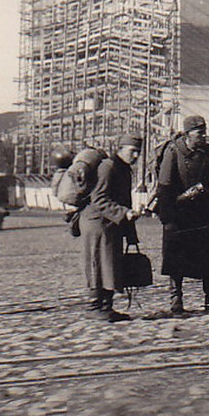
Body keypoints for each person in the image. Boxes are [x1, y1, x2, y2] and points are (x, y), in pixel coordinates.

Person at [156, 115, 209, 315]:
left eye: (204, 131)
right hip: (179, 211)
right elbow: (164, 185)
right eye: (200, 133)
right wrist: (168, 215)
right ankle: (176, 300)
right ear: (187, 134)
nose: (204, 136)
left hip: (204, 211)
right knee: (176, 257)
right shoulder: (173, 151)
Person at [79, 134, 143, 322]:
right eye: (132, 151)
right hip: (97, 223)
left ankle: (107, 307)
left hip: (111, 223)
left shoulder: (123, 169)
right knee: (98, 264)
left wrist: (128, 219)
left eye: (138, 152)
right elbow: (98, 199)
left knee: (110, 265)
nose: (136, 156)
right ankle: (94, 307)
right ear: (120, 148)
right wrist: (124, 213)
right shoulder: (108, 167)